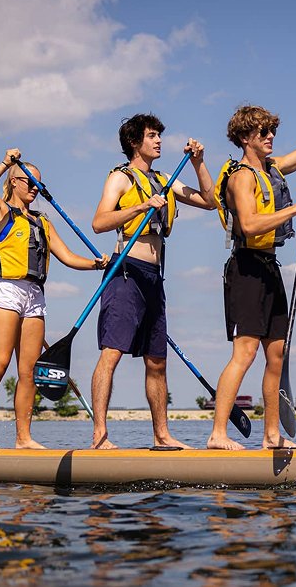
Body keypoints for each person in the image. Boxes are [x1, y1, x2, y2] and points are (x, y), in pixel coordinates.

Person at [207, 84, 296, 450]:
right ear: (245, 137)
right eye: (263, 132)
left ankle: (271, 436)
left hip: (269, 268)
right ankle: (218, 435)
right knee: (245, 352)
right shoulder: (242, 177)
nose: (270, 137)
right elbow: (248, 225)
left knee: (276, 352)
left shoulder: (272, 168)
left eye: (272, 131)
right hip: (246, 269)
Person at [0, 149, 108, 450]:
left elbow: (68, 257)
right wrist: (5, 163)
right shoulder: (0, 210)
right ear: (14, 182)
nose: (34, 188)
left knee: (30, 370)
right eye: (29, 182)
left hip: (34, 296)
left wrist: (98, 263)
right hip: (5, 289)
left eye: (38, 185)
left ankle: (24, 438)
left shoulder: (43, 222)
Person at [90, 114, 214, 449]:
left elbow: (209, 200)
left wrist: (199, 163)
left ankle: (162, 436)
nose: (159, 140)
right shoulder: (120, 178)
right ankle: (100, 435)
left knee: (157, 361)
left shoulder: (165, 179)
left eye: (159, 135)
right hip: (126, 272)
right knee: (111, 353)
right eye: (152, 135)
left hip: (154, 279)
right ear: (134, 142)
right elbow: (99, 222)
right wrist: (141, 205)